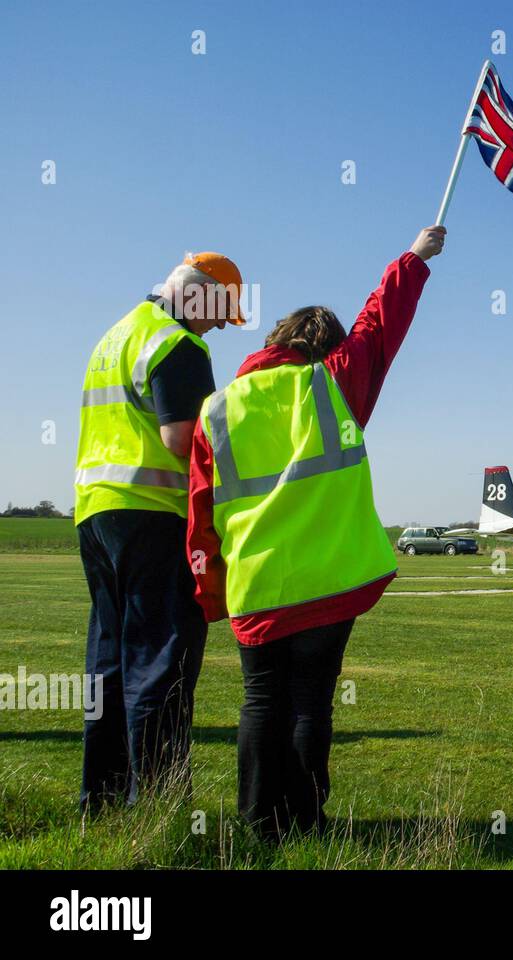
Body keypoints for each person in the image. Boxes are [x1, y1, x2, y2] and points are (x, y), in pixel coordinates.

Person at [187, 225, 445, 838]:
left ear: (274, 340)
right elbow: (378, 328)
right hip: (328, 580)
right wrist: (411, 259)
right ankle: (307, 820)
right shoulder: (333, 384)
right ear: (326, 348)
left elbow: (200, 511)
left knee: (261, 702)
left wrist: (208, 591)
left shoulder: (217, 407)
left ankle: (258, 824)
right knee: (311, 702)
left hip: (258, 582)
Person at [74, 251, 245, 809]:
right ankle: (158, 808)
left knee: (110, 662)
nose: (221, 325)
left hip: (96, 513)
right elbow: (183, 440)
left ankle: (99, 802)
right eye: (223, 311)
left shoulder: (117, 335)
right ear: (201, 294)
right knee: (159, 661)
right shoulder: (179, 344)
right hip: (154, 515)